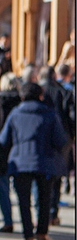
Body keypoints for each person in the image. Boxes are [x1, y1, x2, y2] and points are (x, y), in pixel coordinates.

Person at [0, 82, 68, 240]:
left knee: (24, 201)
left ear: (22, 96)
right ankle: (42, 234)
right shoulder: (50, 114)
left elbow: (3, 139)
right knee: (44, 199)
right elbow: (60, 141)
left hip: (20, 162)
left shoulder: (15, 114)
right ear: (40, 96)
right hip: (45, 162)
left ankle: (28, 235)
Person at [39, 65, 75, 226]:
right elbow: (72, 115)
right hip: (62, 137)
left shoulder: (38, 91)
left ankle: (40, 211)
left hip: (41, 135)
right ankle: (53, 213)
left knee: (40, 174)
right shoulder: (63, 92)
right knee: (57, 175)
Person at [0, 72, 22, 232]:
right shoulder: (21, 102)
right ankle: (27, 218)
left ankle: (7, 220)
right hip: (19, 149)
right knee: (22, 188)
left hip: (2, 149)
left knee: (3, 186)